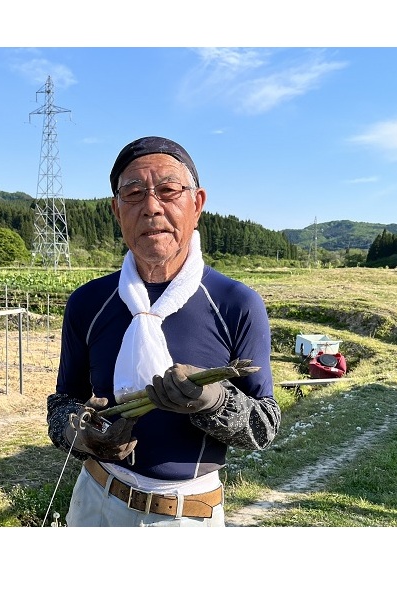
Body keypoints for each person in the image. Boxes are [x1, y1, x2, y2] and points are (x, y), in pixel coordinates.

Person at [46, 136, 281, 527]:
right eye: (133, 193)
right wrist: (81, 435)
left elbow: (264, 425)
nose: (151, 207)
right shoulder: (89, 302)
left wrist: (213, 401)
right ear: (116, 210)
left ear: (197, 203)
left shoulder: (236, 304)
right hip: (94, 500)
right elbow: (62, 405)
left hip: (186, 516)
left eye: (169, 190)